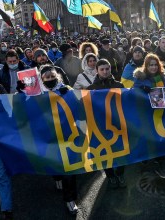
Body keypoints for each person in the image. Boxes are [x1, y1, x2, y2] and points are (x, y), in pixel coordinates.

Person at [38, 64, 79, 215]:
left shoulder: (66, 90)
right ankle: (56, 177)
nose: (50, 79)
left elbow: (78, 108)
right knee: (54, 163)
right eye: (46, 77)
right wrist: (22, 91)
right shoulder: (36, 94)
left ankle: (70, 200)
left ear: (57, 76)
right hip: (48, 136)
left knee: (69, 168)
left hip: (67, 135)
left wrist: (69, 95)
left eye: (52, 77)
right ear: (42, 79)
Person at [87, 59, 126, 188]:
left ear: (111, 69)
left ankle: (120, 173)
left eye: (107, 68)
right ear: (97, 71)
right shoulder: (90, 89)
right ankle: (110, 176)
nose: (105, 71)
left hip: (118, 124)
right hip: (100, 127)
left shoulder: (119, 86)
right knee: (105, 153)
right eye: (102, 69)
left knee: (121, 150)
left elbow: (127, 103)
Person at [0, 83, 13, 220]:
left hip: (0, 142)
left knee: (1, 176)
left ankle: (6, 209)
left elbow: (11, 113)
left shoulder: (0, 98)